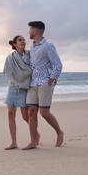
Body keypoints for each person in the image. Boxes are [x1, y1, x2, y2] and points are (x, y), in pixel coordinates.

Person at [22, 21, 64, 150]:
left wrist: (53, 78)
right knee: (31, 112)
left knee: (44, 113)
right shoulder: (33, 47)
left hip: (45, 82)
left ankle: (59, 132)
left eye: (30, 29)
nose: (29, 32)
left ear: (35, 30)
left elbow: (58, 64)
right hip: (32, 83)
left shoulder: (48, 46)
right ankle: (33, 141)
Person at [3, 35, 40, 150]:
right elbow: (7, 73)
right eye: (20, 40)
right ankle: (14, 142)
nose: (23, 41)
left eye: (24, 40)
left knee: (25, 116)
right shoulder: (10, 58)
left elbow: (33, 69)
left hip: (25, 87)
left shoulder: (30, 55)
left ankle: (35, 135)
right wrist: (17, 81)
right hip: (13, 87)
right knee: (10, 114)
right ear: (14, 44)